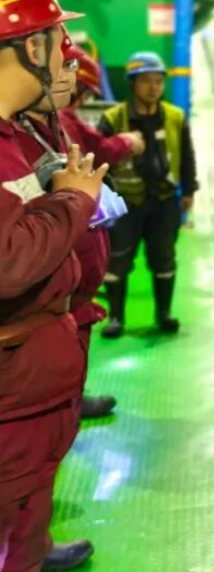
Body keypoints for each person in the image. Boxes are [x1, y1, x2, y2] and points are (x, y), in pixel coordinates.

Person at [0, 0, 109, 572]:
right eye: (54, 40)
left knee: (26, 509)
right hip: (12, 385)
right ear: (32, 47)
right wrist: (71, 201)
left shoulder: (15, 136)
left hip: (30, 379)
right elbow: (8, 261)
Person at [14, 34, 143, 423]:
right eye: (62, 64)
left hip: (70, 297)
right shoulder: (19, 136)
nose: (66, 76)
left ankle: (71, 398)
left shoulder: (53, 123)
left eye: (71, 66)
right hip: (45, 307)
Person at [98, 51, 197, 337]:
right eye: (146, 81)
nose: (154, 87)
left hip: (164, 201)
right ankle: (116, 318)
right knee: (117, 259)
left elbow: (187, 155)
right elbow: (98, 156)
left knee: (163, 257)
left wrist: (189, 189)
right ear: (132, 84)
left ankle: (164, 314)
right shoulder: (112, 119)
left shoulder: (175, 117)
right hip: (124, 202)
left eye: (158, 81)